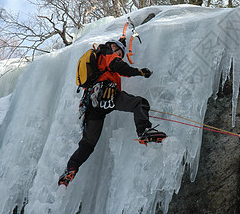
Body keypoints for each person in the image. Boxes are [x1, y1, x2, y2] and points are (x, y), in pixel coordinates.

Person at [58, 38, 165, 186]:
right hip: (107, 94)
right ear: (113, 47)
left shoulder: (98, 59)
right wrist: (139, 72)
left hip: (92, 105)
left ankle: (71, 168)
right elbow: (119, 66)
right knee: (140, 103)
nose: (120, 56)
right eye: (120, 53)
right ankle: (144, 131)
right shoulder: (108, 53)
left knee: (88, 144)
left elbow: (115, 67)